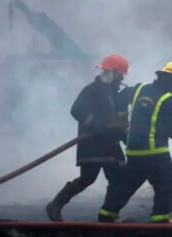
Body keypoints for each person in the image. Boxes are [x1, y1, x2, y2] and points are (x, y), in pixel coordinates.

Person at [98, 61, 172, 224]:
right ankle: (160, 219)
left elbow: (120, 98)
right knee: (165, 183)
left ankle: (106, 215)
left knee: (126, 185)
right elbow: (168, 129)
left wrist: (121, 116)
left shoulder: (140, 89)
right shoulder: (169, 100)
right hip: (156, 153)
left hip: (134, 151)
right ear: (170, 79)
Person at [46, 54, 130, 222]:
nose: (121, 79)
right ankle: (55, 204)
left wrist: (127, 137)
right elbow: (77, 110)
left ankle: (110, 214)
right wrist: (96, 124)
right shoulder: (92, 90)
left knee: (119, 179)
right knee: (87, 178)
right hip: (92, 144)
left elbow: (118, 120)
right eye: (120, 75)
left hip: (110, 144)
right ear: (112, 73)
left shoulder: (114, 94)